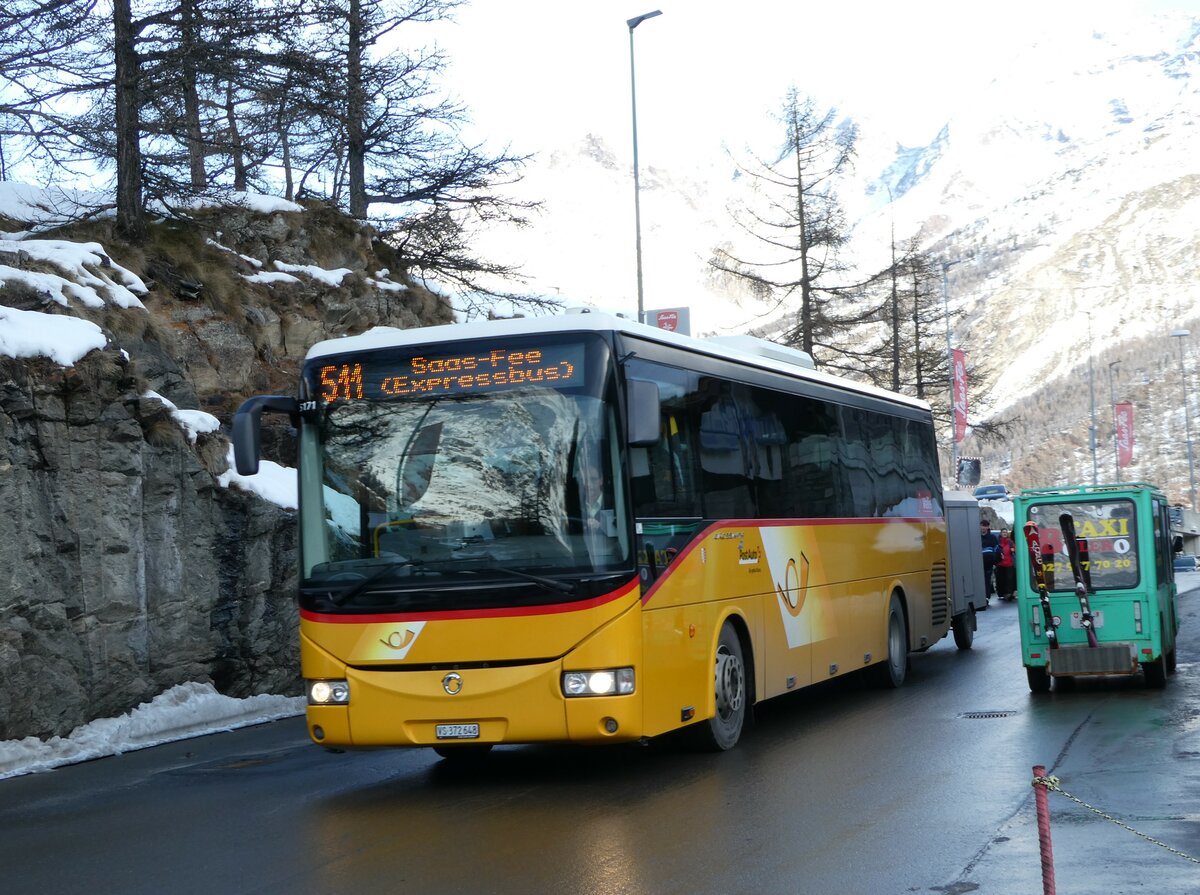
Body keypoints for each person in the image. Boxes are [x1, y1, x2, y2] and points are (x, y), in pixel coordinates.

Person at [980, 518, 1001, 599]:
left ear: (988, 527)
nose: (983, 528)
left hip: (988, 563)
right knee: (979, 580)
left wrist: (995, 562)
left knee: (987, 580)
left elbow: (997, 550)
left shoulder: (992, 537)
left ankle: (986, 597)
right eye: (982, 526)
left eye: (985, 526)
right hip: (978, 563)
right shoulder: (976, 537)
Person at [995, 528, 1016, 601]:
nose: (1004, 533)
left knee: (1009, 579)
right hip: (1000, 564)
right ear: (1001, 533)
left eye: (1006, 532)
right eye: (1003, 532)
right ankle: (1002, 594)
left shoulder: (1010, 542)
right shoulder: (997, 542)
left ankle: (1009, 593)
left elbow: (1014, 549)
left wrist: (1013, 549)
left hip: (1009, 563)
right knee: (1001, 579)